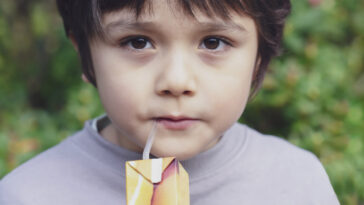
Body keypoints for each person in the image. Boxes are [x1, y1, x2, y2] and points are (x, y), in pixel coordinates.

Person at [0, 0, 339, 204]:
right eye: (137, 42)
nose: (176, 82)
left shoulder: (297, 184)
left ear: (259, 58)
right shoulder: (27, 196)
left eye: (213, 42)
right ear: (84, 57)